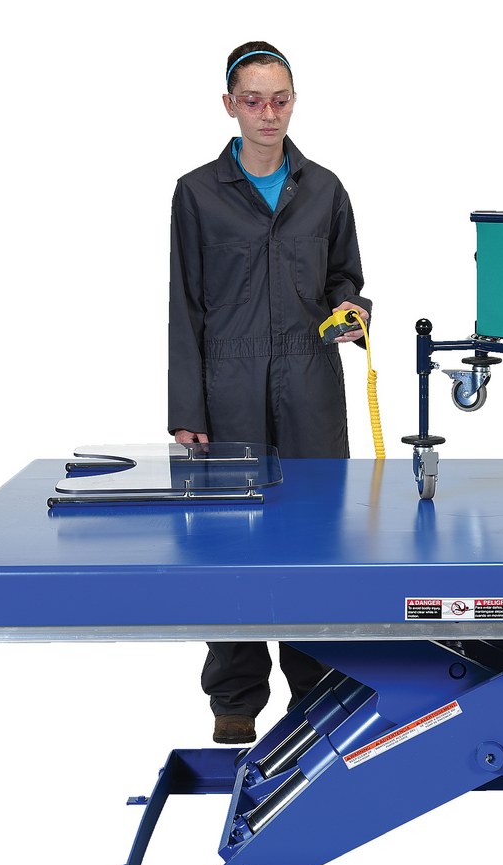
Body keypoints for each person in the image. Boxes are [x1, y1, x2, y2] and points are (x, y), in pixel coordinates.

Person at [168, 41, 371, 745]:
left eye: (280, 100)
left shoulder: (325, 189)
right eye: (253, 100)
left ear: (294, 102)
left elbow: (345, 275)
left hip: (310, 380)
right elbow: (184, 304)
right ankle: (235, 698)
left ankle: (319, 693)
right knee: (231, 542)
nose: (268, 113)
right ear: (230, 105)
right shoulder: (197, 192)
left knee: (317, 540)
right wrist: (187, 409)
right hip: (227, 384)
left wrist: (352, 308)